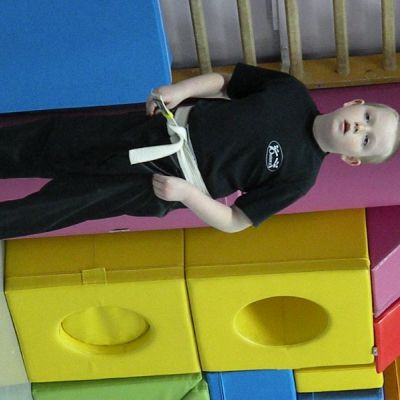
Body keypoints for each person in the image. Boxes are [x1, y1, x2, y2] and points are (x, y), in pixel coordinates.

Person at [0, 63, 399, 239]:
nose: (359, 127)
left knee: (62, 204)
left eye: (366, 140)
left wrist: (187, 195)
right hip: (155, 129)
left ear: (352, 159)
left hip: (162, 182)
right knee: (52, 140)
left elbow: (236, 221)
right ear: (354, 103)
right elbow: (226, 83)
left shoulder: (300, 177)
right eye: (367, 117)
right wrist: (180, 90)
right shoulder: (290, 92)